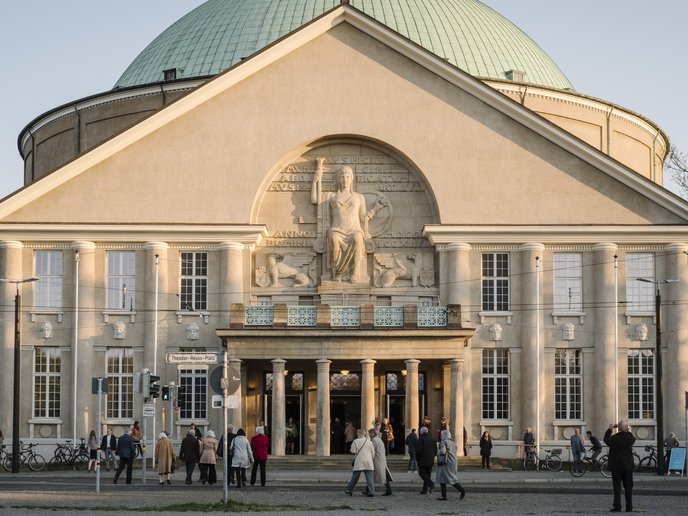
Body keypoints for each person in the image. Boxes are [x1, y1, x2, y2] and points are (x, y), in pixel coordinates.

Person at [311, 160, 375, 284]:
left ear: (351, 179)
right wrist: (315, 181)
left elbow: (363, 217)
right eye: (342, 176)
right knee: (334, 239)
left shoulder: (359, 197)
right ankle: (337, 272)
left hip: (354, 230)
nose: (345, 179)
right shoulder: (331, 196)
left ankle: (355, 273)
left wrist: (376, 209)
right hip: (337, 230)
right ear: (338, 179)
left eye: (347, 176)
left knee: (358, 238)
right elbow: (315, 200)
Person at [604, 421, 636, 513]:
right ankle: (629, 506)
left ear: (618, 428)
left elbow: (606, 439)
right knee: (628, 487)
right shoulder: (629, 438)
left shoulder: (614, 438)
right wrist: (626, 429)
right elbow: (632, 437)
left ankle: (617, 506)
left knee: (617, 487)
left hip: (616, 466)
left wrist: (610, 429)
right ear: (627, 429)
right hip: (627, 466)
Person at [435, 429, 466, 501]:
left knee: (449, 478)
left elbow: (443, 451)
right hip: (453, 461)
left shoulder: (443, 442)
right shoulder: (453, 442)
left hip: (445, 462)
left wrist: (437, 452)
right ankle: (443, 496)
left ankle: (462, 490)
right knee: (444, 478)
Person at [345, 429, 375, 497]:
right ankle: (371, 492)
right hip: (368, 461)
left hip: (359, 461)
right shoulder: (369, 442)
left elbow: (353, 451)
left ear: (359, 434)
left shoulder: (356, 441)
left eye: (357, 434)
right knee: (369, 478)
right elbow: (373, 453)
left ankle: (349, 490)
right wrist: (371, 459)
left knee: (355, 477)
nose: (357, 435)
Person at [365, 428, 392, 496]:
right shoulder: (378, 439)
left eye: (369, 434)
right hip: (380, 460)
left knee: (373, 476)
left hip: (377, 460)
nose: (369, 435)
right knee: (380, 475)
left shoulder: (374, 440)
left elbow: (372, 450)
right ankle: (368, 490)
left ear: (372, 433)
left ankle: (369, 490)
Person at [416, 426, 437, 494]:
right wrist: (432, 456)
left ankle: (431, 484)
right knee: (427, 475)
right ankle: (425, 490)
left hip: (422, 459)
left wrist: (417, 458)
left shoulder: (421, 439)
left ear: (421, 432)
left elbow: (418, 451)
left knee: (422, 473)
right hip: (430, 459)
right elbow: (435, 450)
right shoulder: (433, 439)